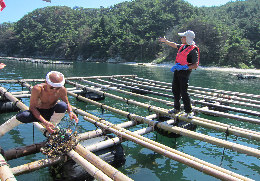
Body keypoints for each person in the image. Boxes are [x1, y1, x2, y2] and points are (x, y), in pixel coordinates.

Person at [0, 71, 78, 137]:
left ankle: (53, 125)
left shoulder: (62, 90)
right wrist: (44, 122)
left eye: (57, 88)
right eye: (52, 87)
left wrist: (71, 112)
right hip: (38, 113)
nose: (54, 90)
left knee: (63, 105)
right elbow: (32, 108)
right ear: (46, 82)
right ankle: (1, 131)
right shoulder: (37, 89)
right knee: (22, 116)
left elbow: (66, 102)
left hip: (50, 113)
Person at [158, 30, 200, 118]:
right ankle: (177, 108)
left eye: (183, 37)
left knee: (184, 91)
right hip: (177, 70)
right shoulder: (183, 46)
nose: (181, 38)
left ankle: (189, 111)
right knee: (175, 89)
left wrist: (185, 67)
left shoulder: (193, 50)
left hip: (185, 72)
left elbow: (195, 65)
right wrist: (165, 41)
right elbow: (174, 44)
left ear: (187, 38)